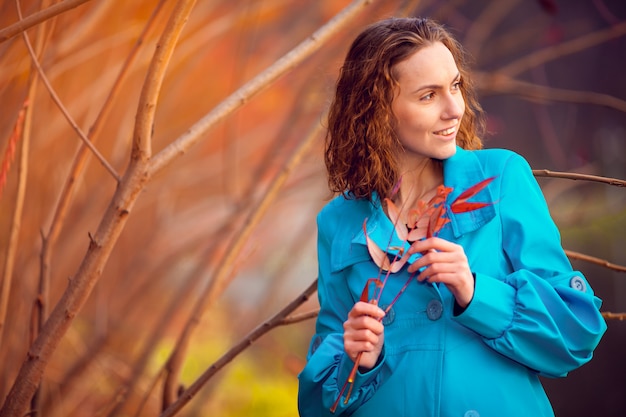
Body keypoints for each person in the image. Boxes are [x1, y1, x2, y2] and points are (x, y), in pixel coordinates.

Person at [297, 17, 606, 417]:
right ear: (376, 111)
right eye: (428, 96)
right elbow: (319, 404)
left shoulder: (501, 180)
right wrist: (357, 359)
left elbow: (575, 333)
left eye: (455, 86)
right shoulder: (338, 222)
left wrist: (477, 292)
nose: (454, 109)